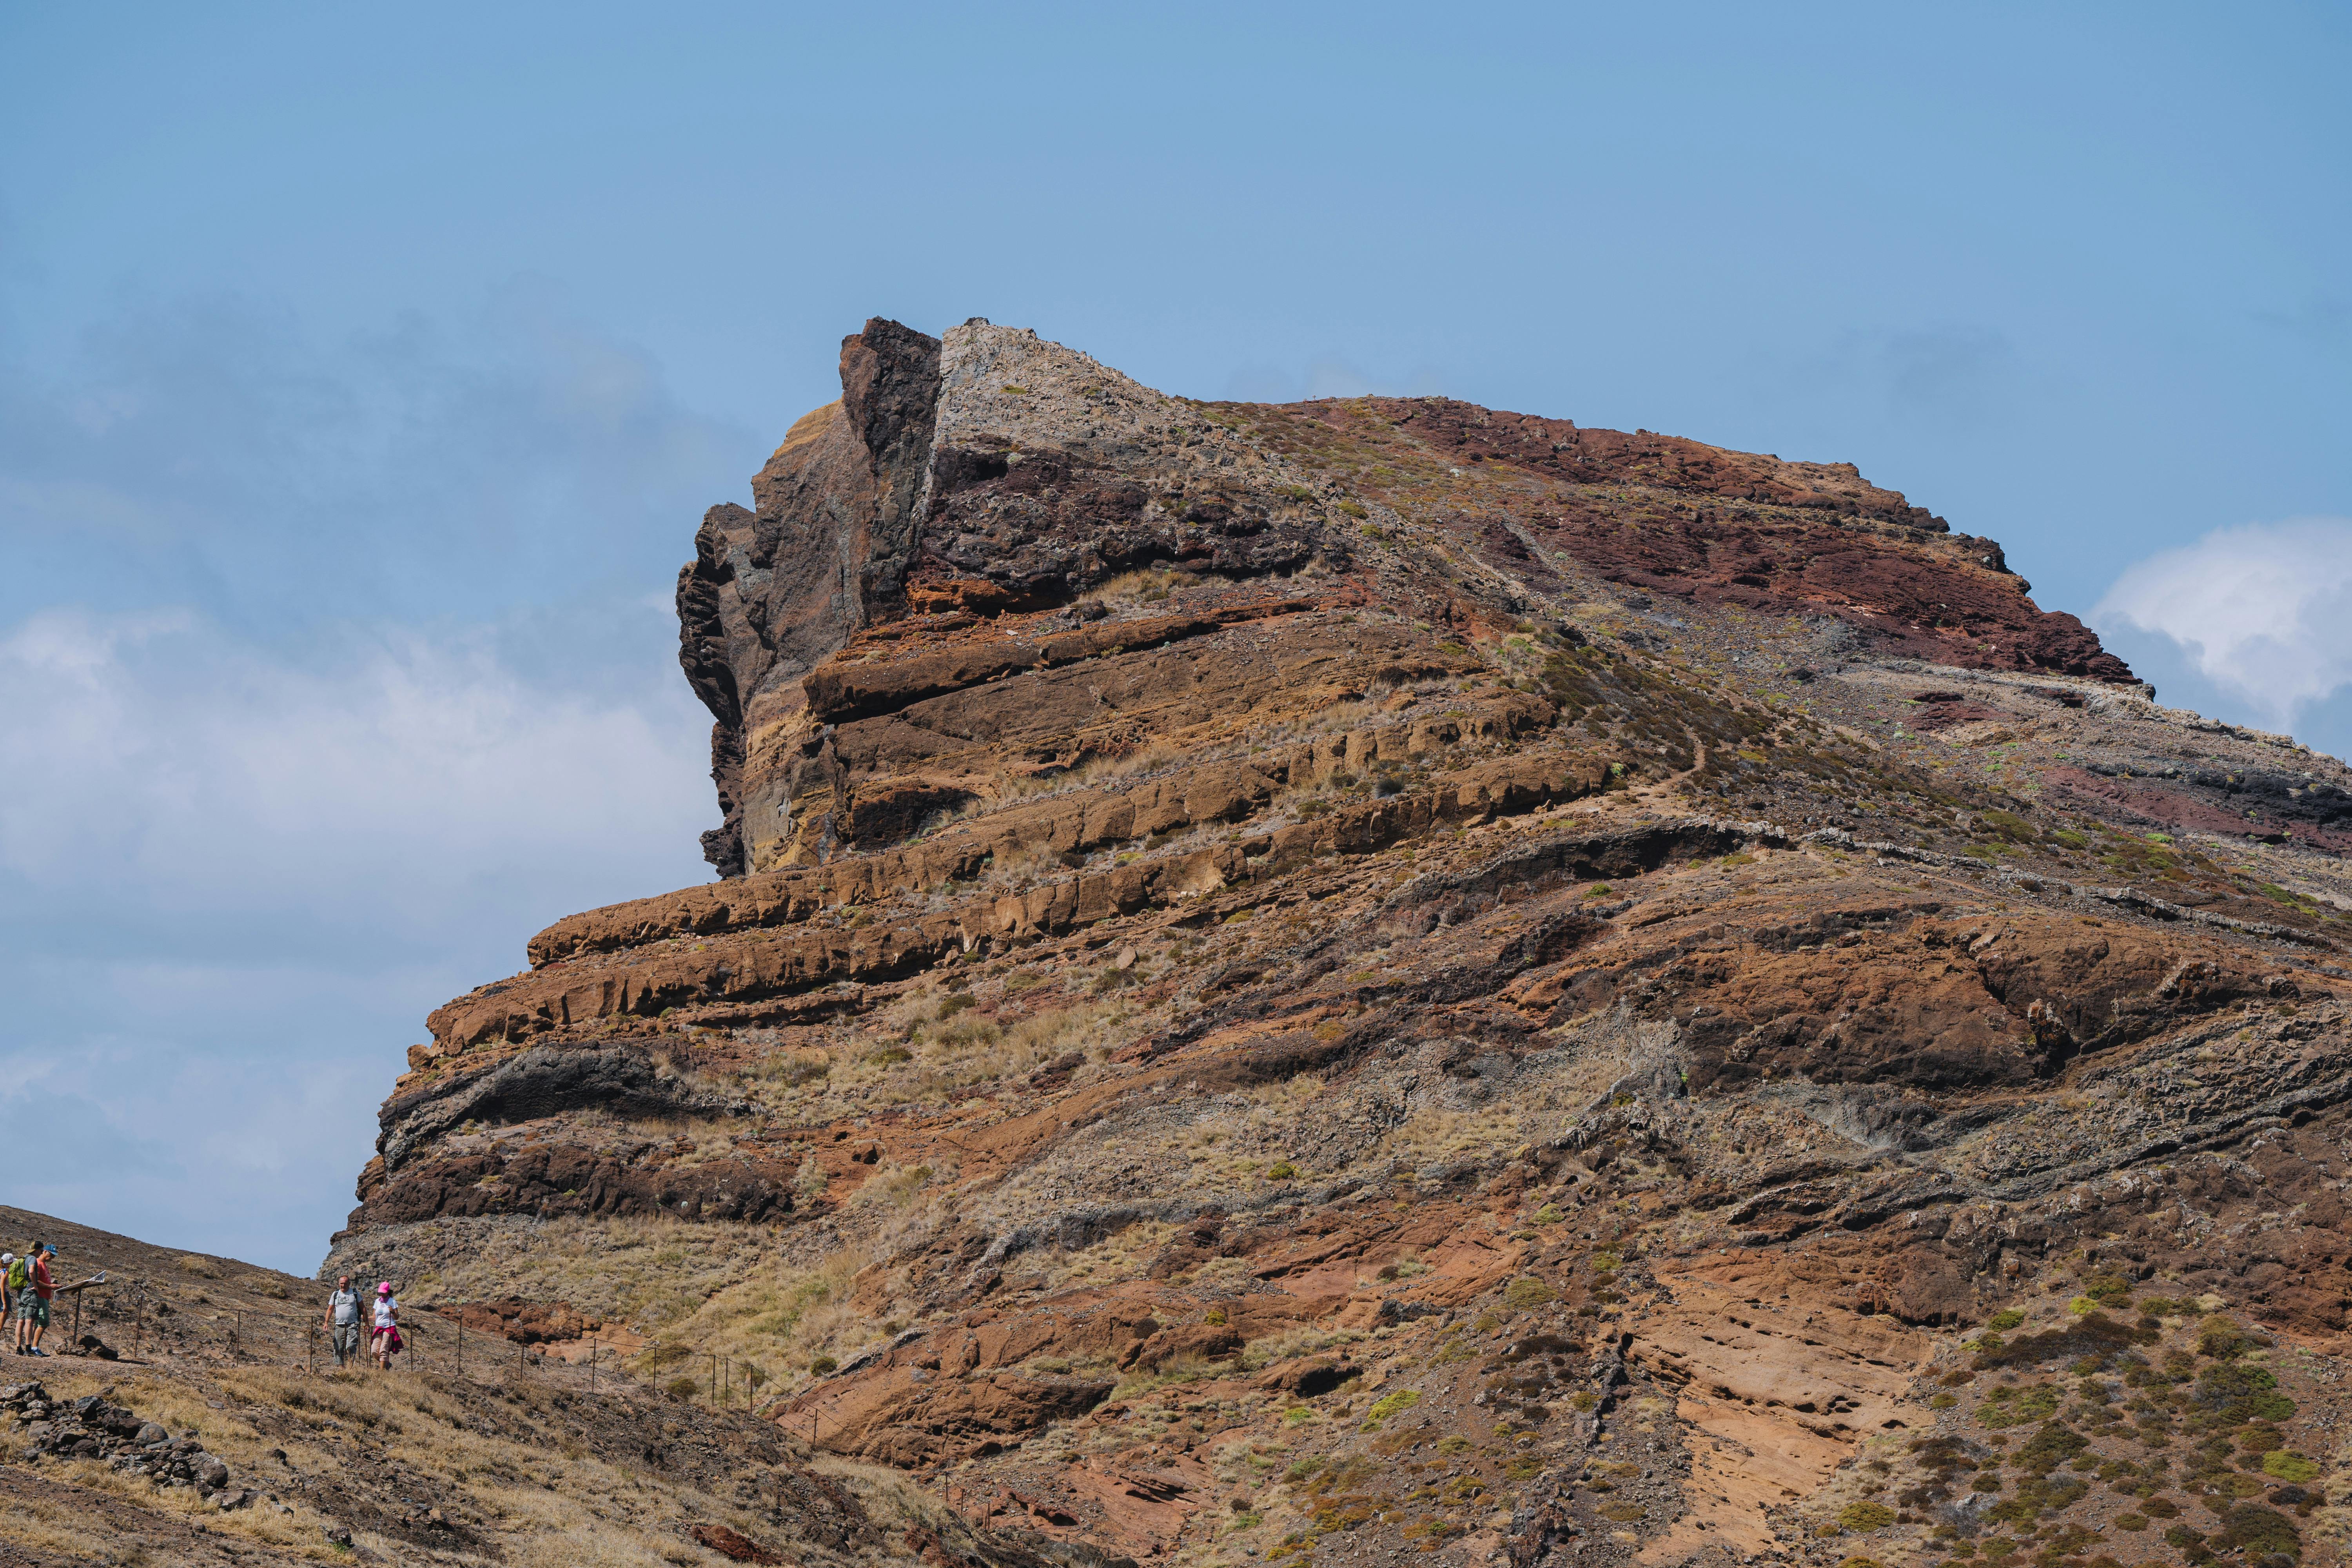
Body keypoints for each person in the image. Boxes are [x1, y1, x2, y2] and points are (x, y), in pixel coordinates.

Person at [21, 1244, 55, 1357]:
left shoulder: (44, 1264)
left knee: (39, 1322)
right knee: (43, 1322)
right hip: (40, 1296)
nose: (53, 1258)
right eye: (51, 1255)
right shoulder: (38, 1263)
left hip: (44, 1296)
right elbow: (36, 1280)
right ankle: (34, 1347)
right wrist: (50, 1287)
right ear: (45, 1252)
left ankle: (33, 1347)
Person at [324, 1275, 362, 1367]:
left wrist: (367, 1324)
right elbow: (330, 1309)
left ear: (349, 1284)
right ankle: (342, 1368)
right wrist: (326, 1322)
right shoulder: (335, 1294)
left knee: (351, 1346)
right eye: (341, 1284)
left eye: (345, 1284)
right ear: (339, 1284)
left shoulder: (355, 1293)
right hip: (339, 1325)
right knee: (338, 1347)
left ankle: (349, 1366)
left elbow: (363, 1308)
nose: (343, 1285)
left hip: (353, 1324)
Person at [370, 1281, 401, 1370]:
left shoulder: (393, 1301)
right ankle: (386, 1364)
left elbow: (397, 1317)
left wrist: (393, 1312)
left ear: (388, 1292)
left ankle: (382, 1372)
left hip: (389, 1328)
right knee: (374, 1351)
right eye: (381, 1292)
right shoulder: (377, 1301)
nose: (382, 1294)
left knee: (384, 1350)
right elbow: (374, 1317)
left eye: (384, 1293)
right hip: (379, 1328)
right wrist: (365, 1318)